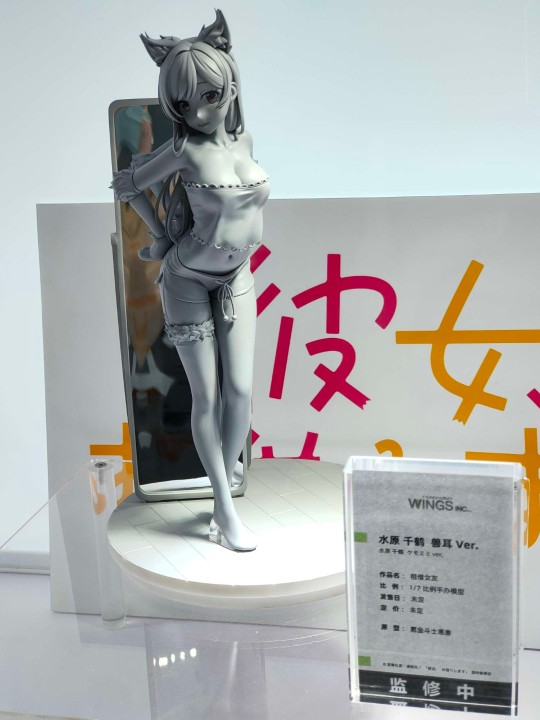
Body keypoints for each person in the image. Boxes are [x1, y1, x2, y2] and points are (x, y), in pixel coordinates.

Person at [112, 10, 269, 552]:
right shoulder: (183, 150)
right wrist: (160, 237)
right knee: (206, 397)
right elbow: (127, 183)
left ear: (230, 83)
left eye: (210, 95)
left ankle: (224, 488)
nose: (199, 111)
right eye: (184, 103)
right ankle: (224, 509)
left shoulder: (245, 141)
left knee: (241, 392)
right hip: (186, 280)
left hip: (237, 276)